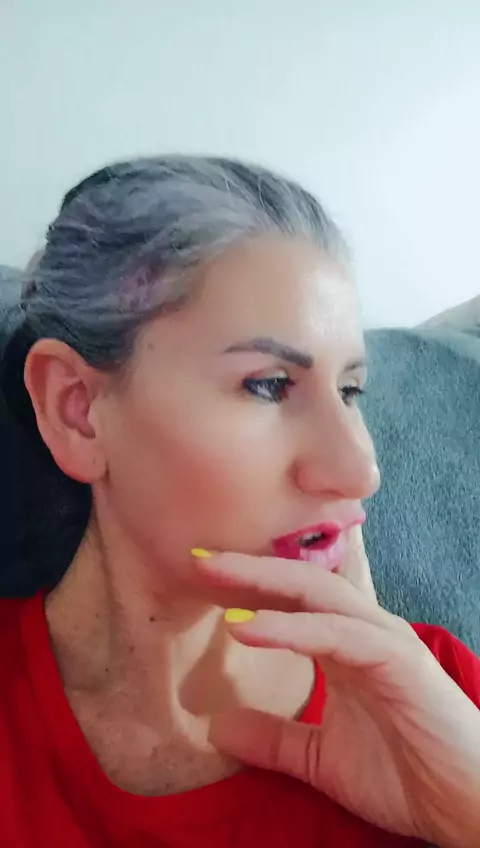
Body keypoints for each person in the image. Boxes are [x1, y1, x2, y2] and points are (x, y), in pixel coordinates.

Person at [0, 157, 479, 848]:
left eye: (350, 392)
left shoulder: (442, 695)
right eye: (269, 385)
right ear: (78, 411)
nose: (360, 470)